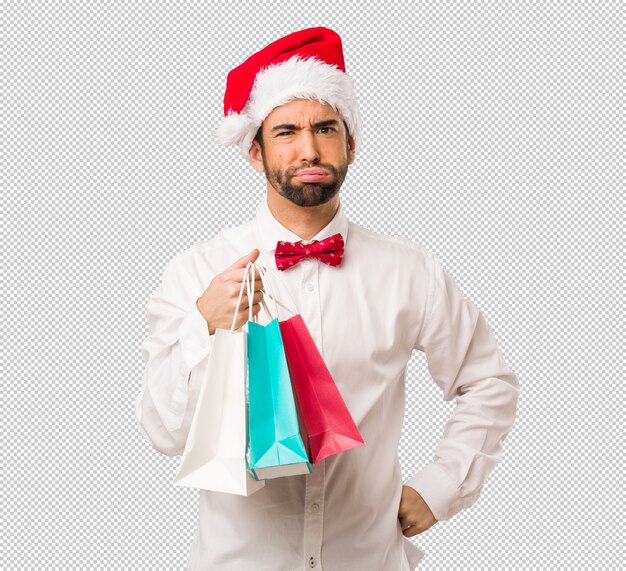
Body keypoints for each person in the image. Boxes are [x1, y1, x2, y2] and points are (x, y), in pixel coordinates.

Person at [135, 27, 519, 570]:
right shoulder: (195, 272)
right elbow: (164, 434)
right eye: (287, 131)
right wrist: (205, 325)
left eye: (326, 128)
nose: (309, 149)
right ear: (255, 152)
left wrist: (441, 485)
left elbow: (488, 381)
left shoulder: (409, 270)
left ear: (351, 145)